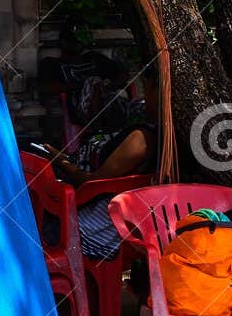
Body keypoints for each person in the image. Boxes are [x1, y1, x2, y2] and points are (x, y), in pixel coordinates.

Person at [45, 69, 159, 260]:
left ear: (158, 90)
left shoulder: (142, 139)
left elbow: (93, 183)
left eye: (147, 88)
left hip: (90, 227)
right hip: (86, 209)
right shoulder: (135, 126)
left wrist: (61, 161)